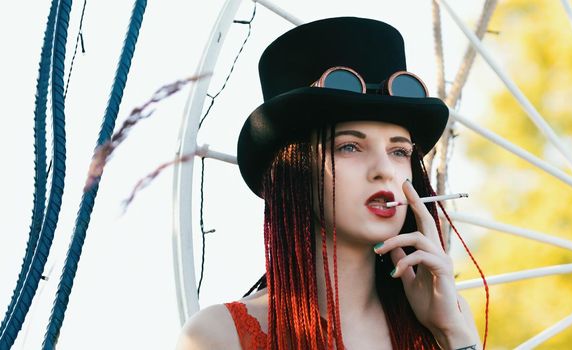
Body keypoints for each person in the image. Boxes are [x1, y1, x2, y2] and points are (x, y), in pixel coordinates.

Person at [177, 17, 482, 350]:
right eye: (349, 146)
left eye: (399, 150)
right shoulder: (219, 335)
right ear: (295, 169)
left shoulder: (447, 318)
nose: (384, 171)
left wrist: (454, 334)